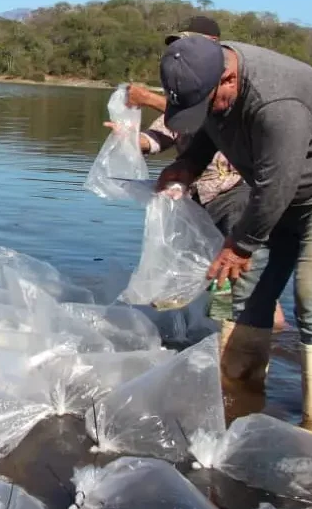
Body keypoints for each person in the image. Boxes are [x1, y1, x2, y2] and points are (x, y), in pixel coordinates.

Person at [156, 35, 312, 428]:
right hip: (279, 187)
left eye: (209, 102)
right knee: (245, 289)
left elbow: (275, 186)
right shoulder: (204, 72)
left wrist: (240, 245)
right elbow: (212, 129)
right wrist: (189, 166)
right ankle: (238, 401)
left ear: (228, 79)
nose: (207, 110)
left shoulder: (278, 103)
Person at [120, 16, 287, 329]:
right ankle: (220, 335)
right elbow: (160, 136)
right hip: (196, 201)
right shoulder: (181, 95)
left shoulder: (234, 89)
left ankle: (272, 333)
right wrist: (126, 137)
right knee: (211, 277)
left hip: (234, 195)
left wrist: (148, 98)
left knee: (243, 275)